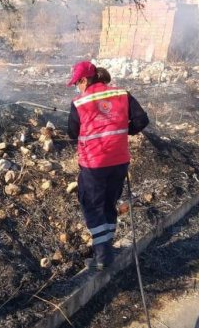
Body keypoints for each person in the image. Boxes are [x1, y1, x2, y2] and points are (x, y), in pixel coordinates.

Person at [66, 61, 149, 270]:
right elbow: (141, 120)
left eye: (77, 83)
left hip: (94, 164)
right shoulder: (122, 94)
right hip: (119, 161)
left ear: (84, 80)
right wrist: (124, 130)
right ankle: (107, 247)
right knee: (109, 204)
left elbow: (71, 133)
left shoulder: (80, 102)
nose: (77, 87)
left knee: (92, 205)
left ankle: (102, 255)